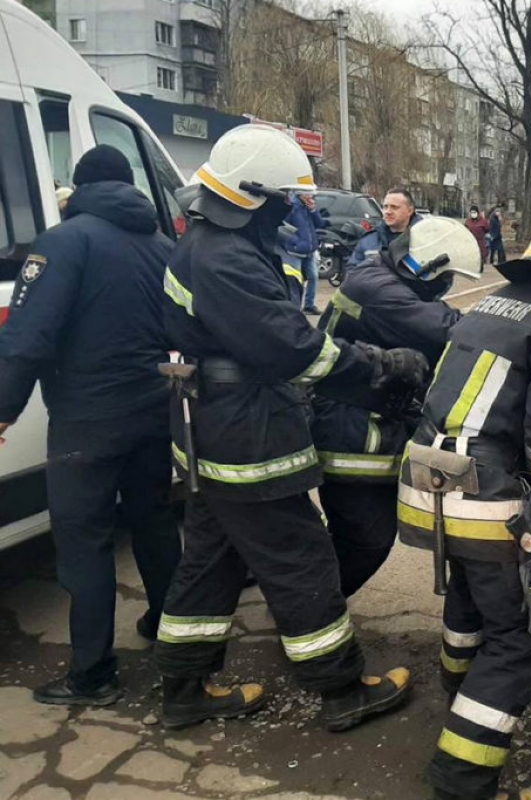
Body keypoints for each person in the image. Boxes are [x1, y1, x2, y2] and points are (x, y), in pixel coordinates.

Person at [155, 125, 427, 732]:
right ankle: (341, 689)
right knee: (301, 560)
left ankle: (183, 690)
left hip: (211, 431)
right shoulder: (227, 260)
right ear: (250, 195)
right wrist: (384, 369)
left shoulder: (204, 244)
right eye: (282, 197)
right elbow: (299, 351)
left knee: (209, 562)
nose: (288, 208)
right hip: (246, 437)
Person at [397, 214, 531, 800]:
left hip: (426, 480)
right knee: (521, 638)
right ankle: (462, 780)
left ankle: (459, 698)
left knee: (473, 597)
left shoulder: (492, 304)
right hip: (485, 496)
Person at [0, 145, 182, 706]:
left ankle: (93, 674)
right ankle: (171, 631)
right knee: (153, 524)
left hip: (86, 421)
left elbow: (27, 341)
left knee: (84, 541)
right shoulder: (161, 247)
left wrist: (4, 408)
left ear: (78, 188)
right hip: (153, 411)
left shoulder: (62, 243)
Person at [312, 217, 479, 597]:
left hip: (364, 423)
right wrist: (502, 319)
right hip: (347, 428)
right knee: (367, 538)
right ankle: (312, 608)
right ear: (428, 264)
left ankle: (308, 598)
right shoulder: (376, 288)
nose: (447, 284)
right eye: (447, 274)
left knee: (354, 534)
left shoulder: (385, 277)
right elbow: (446, 328)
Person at [347, 188, 421, 271]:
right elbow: (351, 272)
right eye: (385, 207)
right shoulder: (369, 240)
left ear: (410, 211)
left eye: (394, 207)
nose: (388, 212)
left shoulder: (426, 238)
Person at [282, 191, 327, 314]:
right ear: (300, 195)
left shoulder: (308, 208)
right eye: (308, 194)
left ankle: (309, 305)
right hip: (295, 251)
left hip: (309, 251)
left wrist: (313, 210)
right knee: (296, 280)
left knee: (313, 277)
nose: (311, 197)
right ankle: (295, 307)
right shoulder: (292, 207)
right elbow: (283, 226)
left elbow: (320, 224)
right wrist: (295, 243)